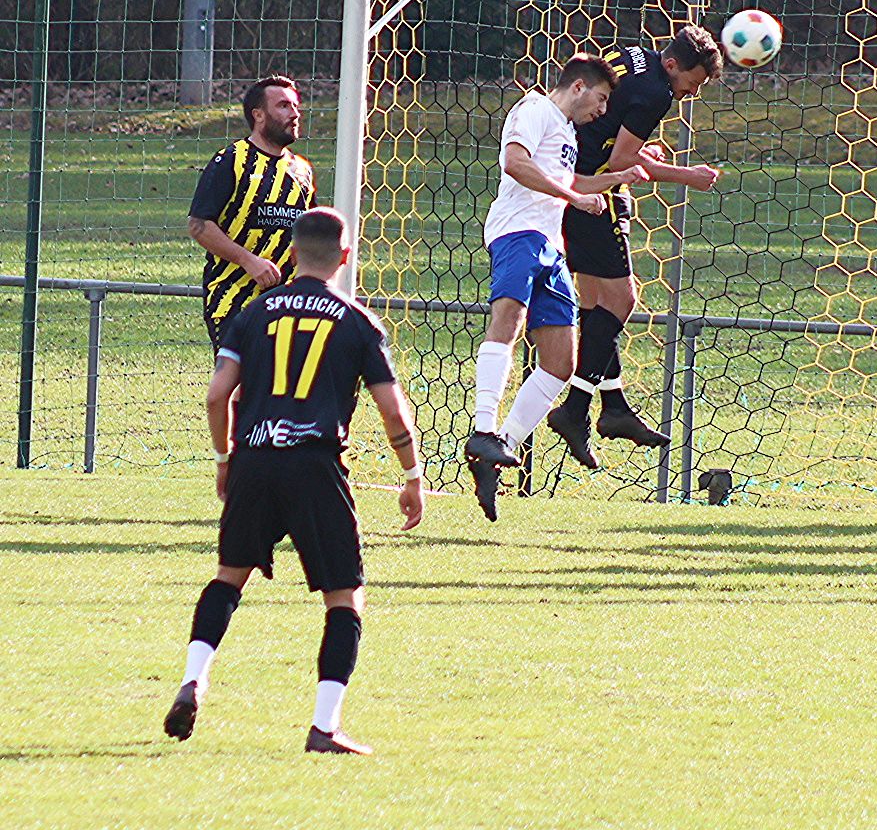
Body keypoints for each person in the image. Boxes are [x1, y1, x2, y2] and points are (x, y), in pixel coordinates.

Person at [162, 207, 424, 755]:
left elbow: (217, 395)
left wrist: (224, 459)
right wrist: (411, 474)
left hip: (254, 461)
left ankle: (193, 679)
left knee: (228, 578)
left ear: (293, 253)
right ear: (345, 256)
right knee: (345, 598)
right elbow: (393, 411)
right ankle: (324, 726)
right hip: (315, 466)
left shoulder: (253, 314)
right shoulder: (357, 322)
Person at [463, 54, 648, 520]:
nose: (602, 111)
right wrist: (574, 198)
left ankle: (498, 448)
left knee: (561, 364)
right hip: (517, 233)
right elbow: (515, 164)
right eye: (601, 99)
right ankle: (482, 430)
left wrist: (617, 179)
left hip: (550, 244)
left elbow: (573, 181)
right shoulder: (534, 109)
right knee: (509, 318)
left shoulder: (566, 131)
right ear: (579, 87)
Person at [544, 27, 724, 468]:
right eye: (692, 83)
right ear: (672, 65)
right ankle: (576, 409)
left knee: (595, 304)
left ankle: (614, 406)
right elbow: (622, 160)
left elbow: (612, 127)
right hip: (593, 190)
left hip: (566, 178)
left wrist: (640, 147)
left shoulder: (634, 55)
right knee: (622, 301)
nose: (691, 93)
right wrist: (688, 176)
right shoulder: (657, 92)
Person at [187, 76, 316, 349]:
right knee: (240, 377)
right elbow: (199, 225)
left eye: (296, 106)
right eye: (283, 106)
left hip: (288, 305)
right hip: (234, 301)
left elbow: (310, 233)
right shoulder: (232, 160)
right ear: (258, 115)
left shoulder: (302, 170)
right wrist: (248, 261)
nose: (294, 114)